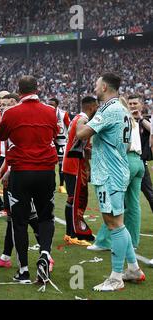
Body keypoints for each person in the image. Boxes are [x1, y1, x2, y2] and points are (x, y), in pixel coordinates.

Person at [76, 73, 145, 292]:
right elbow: (123, 147)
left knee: (113, 222)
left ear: (104, 87)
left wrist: (82, 118)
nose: (95, 87)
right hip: (117, 170)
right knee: (118, 222)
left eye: (96, 84)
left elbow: (82, 134)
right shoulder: (123, 111)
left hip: (109, 175)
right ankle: (133, 268)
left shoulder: (108, 109)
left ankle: (116, 277)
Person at [0, 76, 58, 285]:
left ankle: (23, 270)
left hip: (21, 170)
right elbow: (55, 134)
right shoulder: (51, 110)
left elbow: (1, 135)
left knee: (19, 221)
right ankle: (45, 254)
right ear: (37, 88)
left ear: (18, 91)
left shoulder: (11, 112)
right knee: (46, 217)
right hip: (46, 170)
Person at [88, 97, 145, 251]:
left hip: (125, 161)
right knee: (133, 204)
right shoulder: (131, 120)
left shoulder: (117, 118)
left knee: (114, 204)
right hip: (138, 162)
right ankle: (133, 242)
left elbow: (122, 146)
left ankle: (103, 241)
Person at [62, 96, 99, 244]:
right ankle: (73, 235)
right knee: (74, 199)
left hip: (74, 164)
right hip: (73, 165)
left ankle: (73, 233)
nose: (97, 110)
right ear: (91, 107)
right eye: (96, 107)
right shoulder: (82, 120)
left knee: (74, 199)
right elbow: (79, 132)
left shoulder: (78, 117)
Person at [127, 94, 153, 213]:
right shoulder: (124, 119)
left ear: (141, 105)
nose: (132, 106)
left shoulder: (145, 120)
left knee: (150, 194)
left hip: (140, 162)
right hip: (124, 162)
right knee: (123, 196)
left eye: (135, 103)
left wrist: (140, 119)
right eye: (130, 104)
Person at [49, 98, 70, 194]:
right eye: (49, 104)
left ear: (57, 105)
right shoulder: (47, 113)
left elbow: (69, 127)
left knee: (62, 165)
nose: (50, 106)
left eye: (52, 104)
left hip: (62, 142)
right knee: (51, 165)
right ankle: (51, 185)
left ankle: (61, 185)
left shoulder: (63, 114)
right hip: (51, 142)